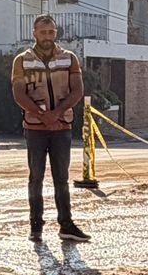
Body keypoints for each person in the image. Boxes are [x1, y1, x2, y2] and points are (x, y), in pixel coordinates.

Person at [11, 14, 90, 243]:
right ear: (34, 33)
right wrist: (41, 115)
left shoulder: (69, 59)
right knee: (35, 177)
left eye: (51, 32)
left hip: (61, 127)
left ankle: (66, 224)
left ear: (56, 33)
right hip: (35, 128)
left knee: (61, 178)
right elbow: (18, 93)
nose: (48, 36)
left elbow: (77, 90)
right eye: (43, 32)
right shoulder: (22, 61)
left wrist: (56, 114)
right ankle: (36, 226)